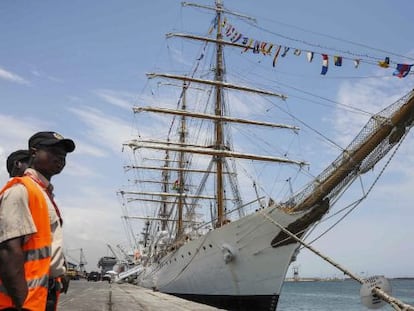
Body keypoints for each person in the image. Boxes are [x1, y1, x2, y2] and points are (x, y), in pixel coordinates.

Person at [0, 131, 75, 311]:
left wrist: (59, 273)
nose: (60, 158)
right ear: (34, 153)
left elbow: (44, 244)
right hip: (22, 300)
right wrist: (20, 301)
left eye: (63, 155)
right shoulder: (21, 190)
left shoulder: (43, 193)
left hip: (42, 293)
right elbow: (9, 248)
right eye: (53, 152)